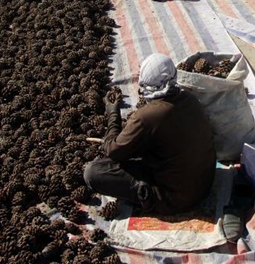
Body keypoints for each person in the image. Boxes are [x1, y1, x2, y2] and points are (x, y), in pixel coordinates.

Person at [84, 53, 216, 215]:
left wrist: (113, 114)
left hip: (174, 199)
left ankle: (147, 195)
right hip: (204, 184)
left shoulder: (147, 117)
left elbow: (112, 151)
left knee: (93, 172)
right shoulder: (190, 99)